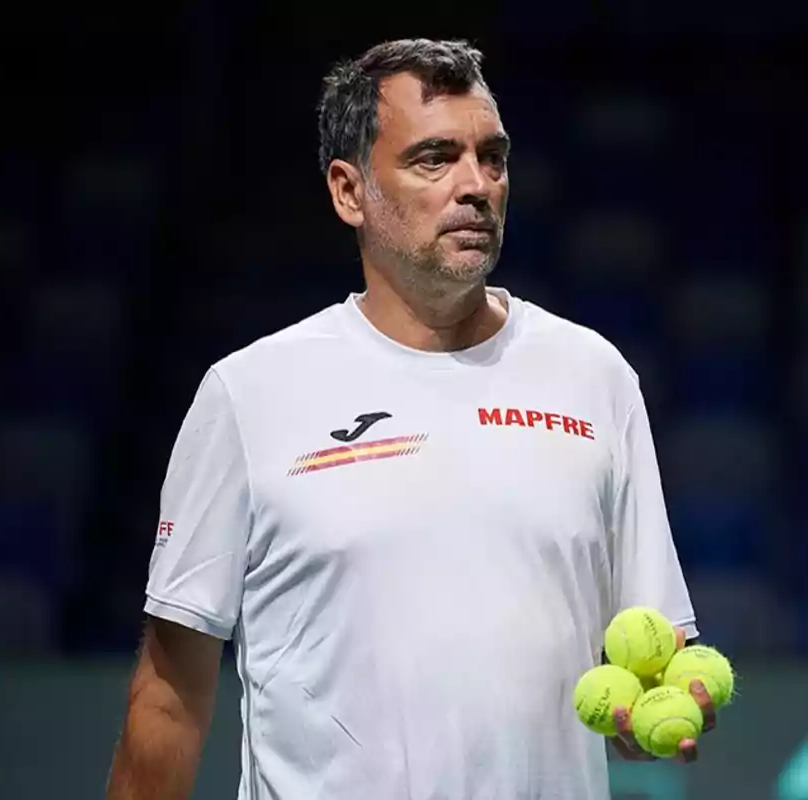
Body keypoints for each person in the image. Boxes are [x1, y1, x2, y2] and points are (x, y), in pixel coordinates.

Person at [105, 37, 714, 800]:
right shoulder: (248, 393)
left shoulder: (595, 377)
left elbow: (649, 659)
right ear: (348, 191)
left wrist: (650, 714)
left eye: (491, 158)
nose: (476, 186)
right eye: (435, 159)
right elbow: (169, 695)